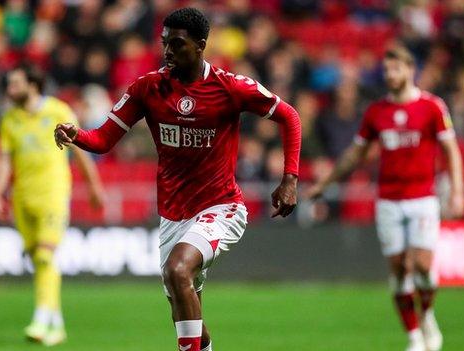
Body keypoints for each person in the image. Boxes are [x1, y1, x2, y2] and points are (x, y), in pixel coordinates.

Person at [54, 8, 301, 351]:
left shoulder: (229, 87)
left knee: (177, 269)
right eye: (164, 42)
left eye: (177, 44)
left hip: (221, 207)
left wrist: (289, 178)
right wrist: (76, 134)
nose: (168, 51)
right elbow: (104, 139)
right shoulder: (148, 88)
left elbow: (289, 116)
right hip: (173, 216)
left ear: (200, 46)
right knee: (184, 311)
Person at [305, 46, 464, 351]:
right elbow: (355, 153)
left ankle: (428, 314)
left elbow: (451, 150)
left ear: (410, 70)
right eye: (387, 70)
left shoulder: (432, 107)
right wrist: (325, 183)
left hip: (422, 197)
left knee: (421, 265)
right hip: (389, 199)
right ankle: (414, 336)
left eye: (396, 69)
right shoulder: (377, 111)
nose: (390, 75)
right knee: (398, 268)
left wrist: (457, 190)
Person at [0, 64, 104, 346]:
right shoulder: (9, 119)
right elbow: (6, 162)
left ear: (33, 85)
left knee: (44, 257)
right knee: (40, 262)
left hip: (53, 193)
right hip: (22, 197)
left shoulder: (58, 111)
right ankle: (57, 326)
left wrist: (93, 185)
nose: (10, 89)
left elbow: (79, 151)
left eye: (15, 83)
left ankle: (41, 318)